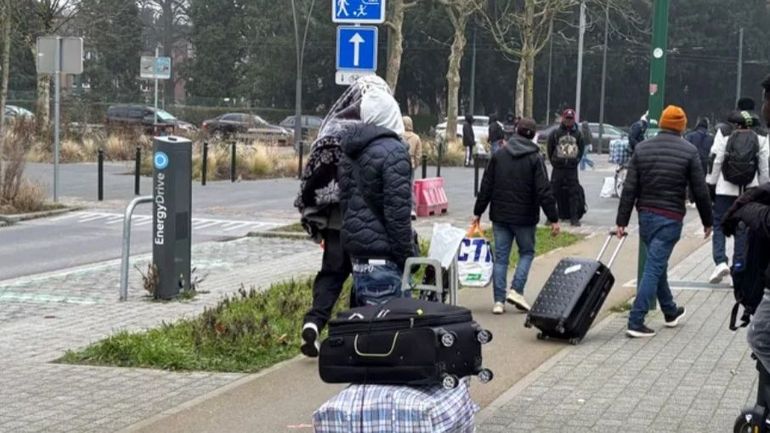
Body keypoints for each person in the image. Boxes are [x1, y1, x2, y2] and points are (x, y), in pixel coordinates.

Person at [616, 105, 713, 338]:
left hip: (646, 216)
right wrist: (708, 221)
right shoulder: (689, 151)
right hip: (670, 217)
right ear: (682, 127)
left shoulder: (642, 148)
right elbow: (700, 190)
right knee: (653, 267)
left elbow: (629, 188)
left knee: (656, 264)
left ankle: (670, 311)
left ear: (661, 123)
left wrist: (622, 221)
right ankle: (636, 320)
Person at [295, 82, 364, 357]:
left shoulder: (330, 132)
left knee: (331, 275)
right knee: (363, 276)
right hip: (363, 223)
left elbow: (313, 177)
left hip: (335, 224)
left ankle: (313, 322)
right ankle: (354, 335)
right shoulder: (368, 133)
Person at [338, 76, 415, 307]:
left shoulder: (349, 152)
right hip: (385, 259)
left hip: (358, 258)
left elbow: (346, 205)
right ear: (391, 114)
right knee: (391, 326)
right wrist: (407, 258)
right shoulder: (395, 152)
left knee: (365, 325)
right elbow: (398, 214)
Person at [473, 118, 560, 314]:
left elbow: (486, 185)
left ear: (515, 132)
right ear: (533, 135)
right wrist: (553, 218)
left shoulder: (499, 155)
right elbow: (544, 191)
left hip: (500, 215)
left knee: (501, 258)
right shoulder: (535, 158)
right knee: (526, 253)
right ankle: (517, 290)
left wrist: (478, 212)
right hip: (525, 217)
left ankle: (498, 301)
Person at [707, 110, 770, 284]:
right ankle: (738, 267)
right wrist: (762, 189)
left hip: (724, 189)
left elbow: (716, 160)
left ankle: (720, 261)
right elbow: (764, 166)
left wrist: (711, 183)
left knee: (719, 224)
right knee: (743, 227)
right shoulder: (761, 137)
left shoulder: (724, 133)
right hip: (749, 190)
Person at [547, 108, 586, 227]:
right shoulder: (555, 133)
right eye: (567, 118)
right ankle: (551, 218)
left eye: (571, 119)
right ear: (563, 119)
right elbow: (550, 148)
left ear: (574, 120)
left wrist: (575, 161)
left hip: (571, 169)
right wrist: (554, 162)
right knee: (553, 192)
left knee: (573, 193)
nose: (569, 121)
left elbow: (581, 149)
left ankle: (574, 218)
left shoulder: (578, 134)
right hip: (558, 168)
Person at [684, 117, 714, 206]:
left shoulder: (690, 136)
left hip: (692, 160)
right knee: (703, 181)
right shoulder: (711, 138)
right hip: (705, 162)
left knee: (691, 181)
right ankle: (702, 200)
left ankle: (692, 200)